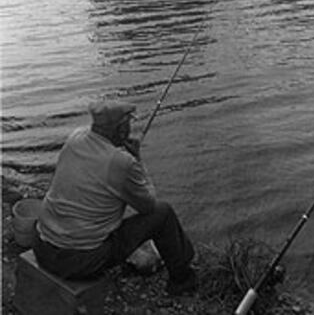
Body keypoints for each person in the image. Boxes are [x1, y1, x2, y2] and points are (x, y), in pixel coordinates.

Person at [33, 100, 196, 295]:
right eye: (129, 122)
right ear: (120, 129)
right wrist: (137, 160)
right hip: (78, 263)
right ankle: (182, 280)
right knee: (163, 213)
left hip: (42, 246)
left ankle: (180, 261)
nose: (130, 127)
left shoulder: (75, 138)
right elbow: (149, 206)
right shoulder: (121, 162)